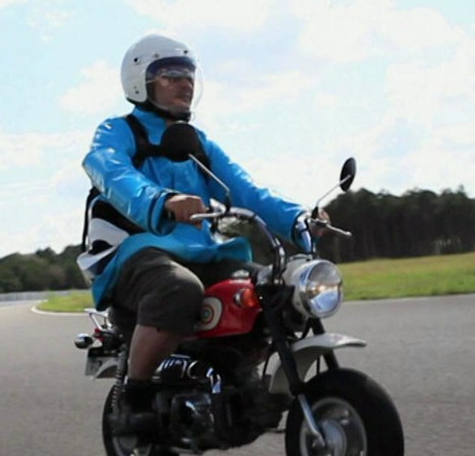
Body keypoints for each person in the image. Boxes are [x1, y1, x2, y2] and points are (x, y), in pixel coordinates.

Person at [79, 34, 322, 434]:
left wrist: (299, 219)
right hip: (132, 251)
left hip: (201, 252)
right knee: (178, 289)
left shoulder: (198, 144)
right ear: (141, 81)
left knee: (276, 289)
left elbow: (247, 191)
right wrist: (162, 200)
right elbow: (111, 171)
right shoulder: (117, 132)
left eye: (188, 74)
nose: (185, 83)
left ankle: (239, 375)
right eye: (170, 74)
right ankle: (134, 399)